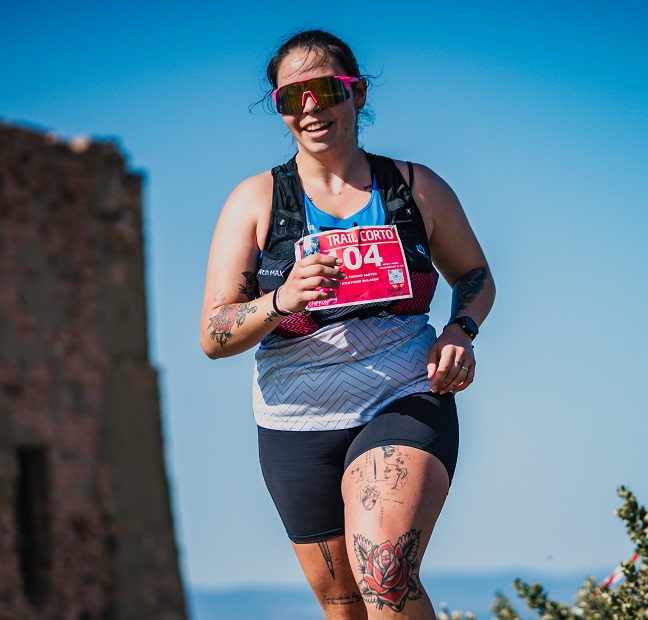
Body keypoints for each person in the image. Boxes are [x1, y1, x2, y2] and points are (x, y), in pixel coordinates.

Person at [200, 29, 494, 619]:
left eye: (325, 89)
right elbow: (214, 334)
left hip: (402, 392)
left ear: (356, 94)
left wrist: (461, 329)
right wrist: (281, 299)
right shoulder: (255, 201)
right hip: (295, 419)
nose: (310, 107)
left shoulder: (416, 188)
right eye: (291, 97)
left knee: (384, 572)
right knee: (343, 604)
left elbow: (475, 274)